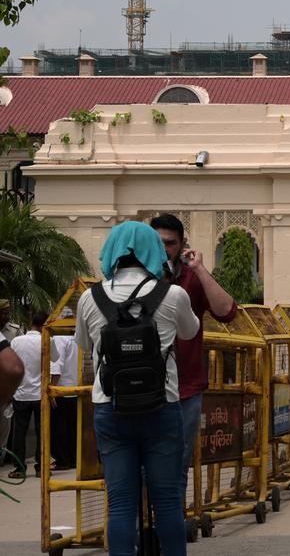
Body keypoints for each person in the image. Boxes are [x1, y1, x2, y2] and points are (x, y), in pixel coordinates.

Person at [74, 221, 199, 556]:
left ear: (111, 252)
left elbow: (85, 345)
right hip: (162, 407)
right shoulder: (172, 295)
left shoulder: (90, 298)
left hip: (110, 408)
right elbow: (189, 332)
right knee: (167, 501)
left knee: (121, 503)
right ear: (154, 252)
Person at [149, 213, 236, 505]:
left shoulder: (188, 279)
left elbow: (227, 312)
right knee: (141, 466)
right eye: (158, 243)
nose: (164, 250)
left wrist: (199, 269)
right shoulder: (133, 278)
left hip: (184, 389)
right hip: (140, 389)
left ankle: (171, 519)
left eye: (170, 243)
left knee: (178, 464)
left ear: (182, 245)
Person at [7, 311, 57, 479]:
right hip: (40, 395)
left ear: (32, 323)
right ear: (45, 325)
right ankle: (41, 467)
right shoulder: (47, 340)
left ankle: (19, 468)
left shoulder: (16, 341)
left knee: (19, 432)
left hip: (20, 394)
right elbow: (55, 358)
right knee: (42, 432)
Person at [0, 301, 26, 470]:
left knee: (4, 428)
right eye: (3, 313)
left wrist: (10, 394)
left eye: (8, 313)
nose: (6, 317)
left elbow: (18, 364)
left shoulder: (15, 331)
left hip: (7, 389)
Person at [49, 333, 80, 470]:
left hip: (61, 391)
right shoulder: (77, 338)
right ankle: (73, 459)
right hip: (76, 389)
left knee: (59, 429)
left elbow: (57, 367)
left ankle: (62, 460)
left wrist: (51, 390)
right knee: (72, 429)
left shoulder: (59, 339)